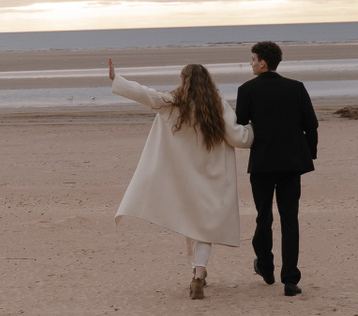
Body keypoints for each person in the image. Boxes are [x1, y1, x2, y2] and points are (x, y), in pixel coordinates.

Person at [108, 58, 254, 299]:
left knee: (192, 225)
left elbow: (147, 95)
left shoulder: (174, 102)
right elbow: (237, 137)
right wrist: (253, 130)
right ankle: (199, 273)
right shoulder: (218, 105)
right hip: (211, 176)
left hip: (185, 178)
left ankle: (197, 273)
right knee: (204, 229)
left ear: (184, 81)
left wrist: (118, 80)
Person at [236, 40, 318, 296]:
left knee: (264, 216)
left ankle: (265, 265)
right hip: (292, 163)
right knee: (289, 219)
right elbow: (311, 125)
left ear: (263, 63)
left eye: (252, 59)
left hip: (262, 163)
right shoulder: (296, 87)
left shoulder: (246, 90)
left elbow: (241, 125)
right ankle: (290, 279)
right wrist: (309, 155)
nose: (250, 64)